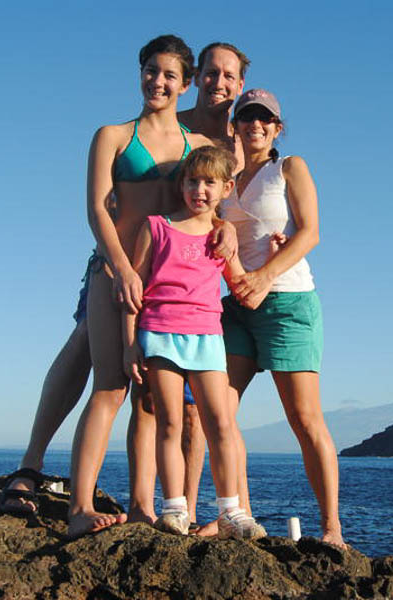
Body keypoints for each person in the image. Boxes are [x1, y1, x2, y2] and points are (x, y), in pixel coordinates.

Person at [67, 34, 218, 538]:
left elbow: (218, 205)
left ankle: (140, 507)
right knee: (109, 386)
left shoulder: (199, 147)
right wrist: (122, 269)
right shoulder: (113, 135)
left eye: (170, 75)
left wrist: (233, 232)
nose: (158, 81)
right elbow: (96, 209)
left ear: (186, 84)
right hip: (116, 274)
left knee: (149, 400)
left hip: (169, 287)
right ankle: (79, 509)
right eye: (151, 70)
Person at [220, 89, 345, 547]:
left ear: (277, 128)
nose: (255, 124)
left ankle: (331, 528)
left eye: (264, 119)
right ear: (235, 124)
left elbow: (310, 231)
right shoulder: (225, 177)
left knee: (304, 417)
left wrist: (265, 275)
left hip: (288, 302)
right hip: (236, 306)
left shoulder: (289, 167)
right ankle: (238, 515)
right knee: (218, 415)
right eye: (246, 117)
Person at [123, 145, 267, 538]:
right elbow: (135, 290)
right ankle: (174, 509)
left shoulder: (223, 236)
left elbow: (241, 286)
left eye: (209, 182)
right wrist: (130, 343)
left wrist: (272, 258)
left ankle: (232, 512)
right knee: (168, 422)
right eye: (192, 181)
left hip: (207, 338)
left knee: (219, 423)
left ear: (226, 188)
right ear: (182, 184)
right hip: (160, 335)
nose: (199, 189)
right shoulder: (156, 227)